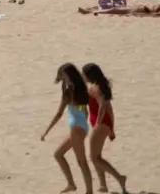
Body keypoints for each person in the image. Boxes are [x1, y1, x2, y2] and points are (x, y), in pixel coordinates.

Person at [40, 63, 94, 194]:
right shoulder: (81, 88)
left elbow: (59, 114)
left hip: (76, 128)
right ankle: (71, 184)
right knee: (58, 154)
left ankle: (88, 191)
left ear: (69, 75)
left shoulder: (69, 91)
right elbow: (84, 110)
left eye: (64, 76)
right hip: (82, 127)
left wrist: (46, 131)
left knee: (81, 162)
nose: (63, 78)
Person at [82, 63, 127, 194]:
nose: (82, 76)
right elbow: (110, 109)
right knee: (97, 156)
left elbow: (102, 106)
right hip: (105, 125)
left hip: (100, 125)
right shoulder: (102, 87)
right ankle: (103, 185)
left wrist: (97, 123)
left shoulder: (94, 89)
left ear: (89, 75)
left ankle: (120, 178)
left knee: (94, 157)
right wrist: (112, 129)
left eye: (83, 74)